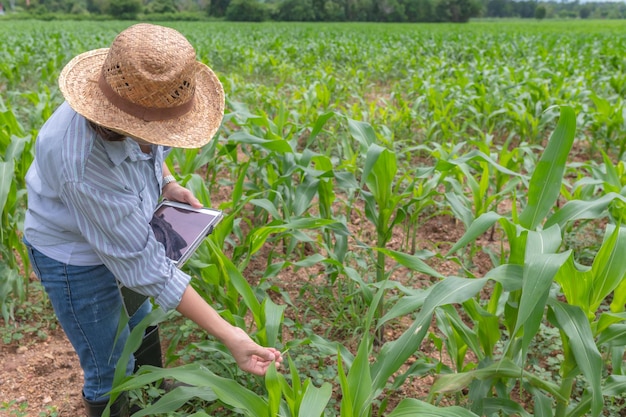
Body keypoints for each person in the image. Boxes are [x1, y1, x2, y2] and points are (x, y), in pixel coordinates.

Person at [23, 23, 282, 417]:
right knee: (110, 364)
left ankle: (152, 389)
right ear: (117, 121)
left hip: (124, 230)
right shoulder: (81, 162)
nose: (159, 138)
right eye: (152, 130)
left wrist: (169, 183)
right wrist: (232, 336)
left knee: (142, 322)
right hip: (73, 253)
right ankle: (117, 405)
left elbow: (150, 150)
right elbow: (147, 269)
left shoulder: (136, 96)